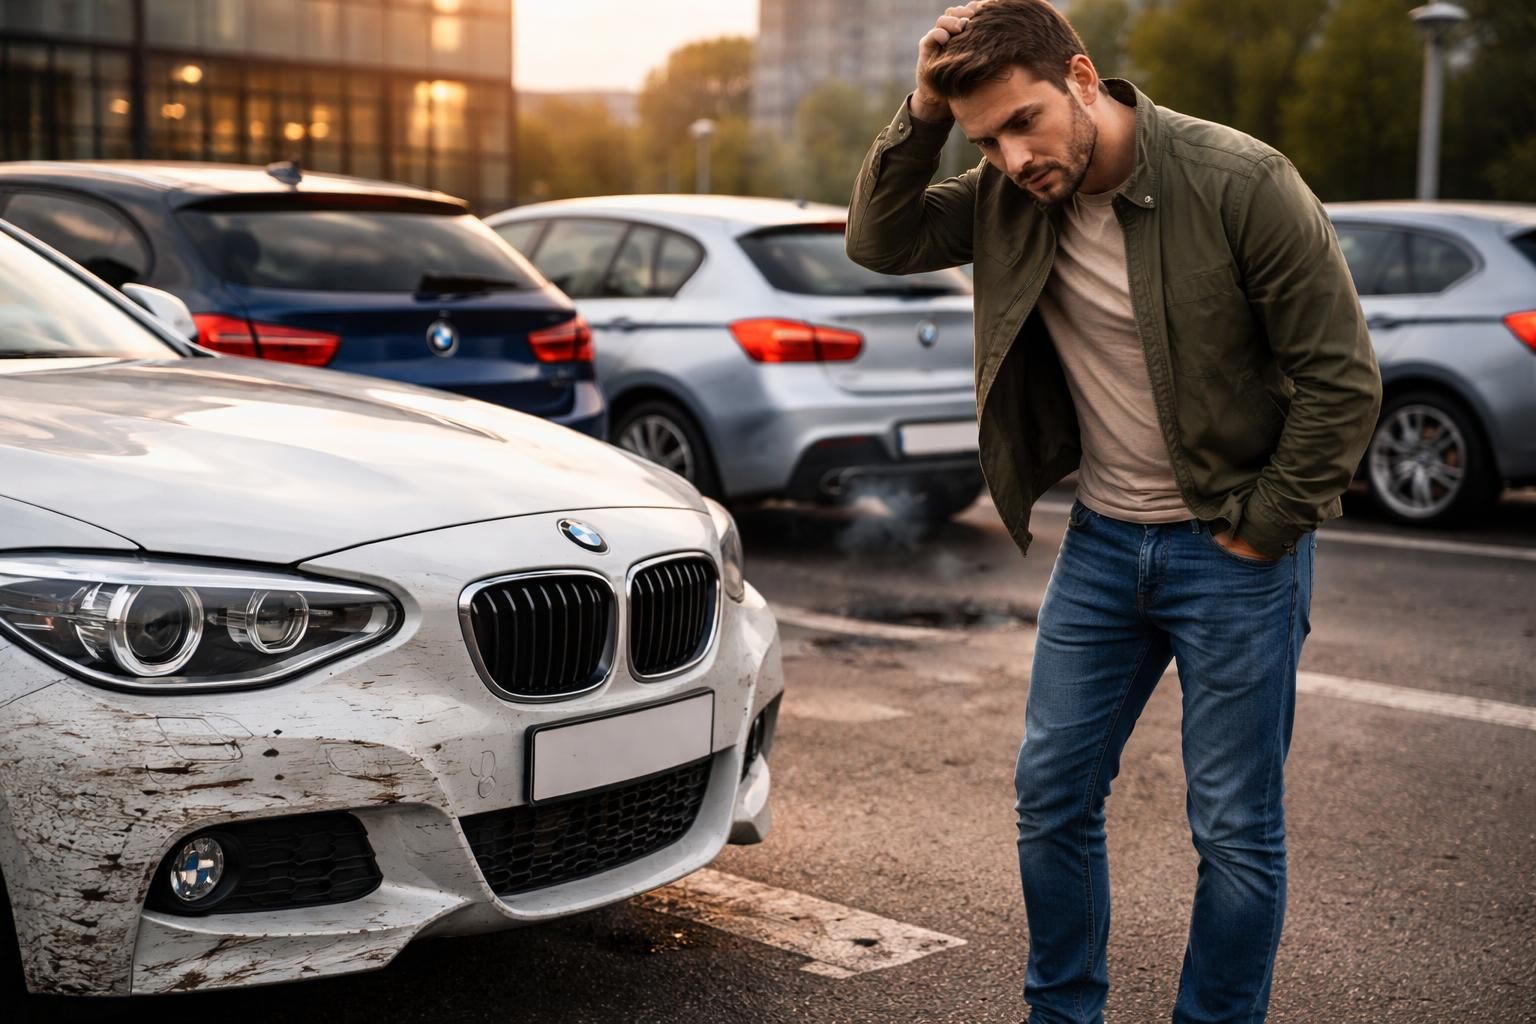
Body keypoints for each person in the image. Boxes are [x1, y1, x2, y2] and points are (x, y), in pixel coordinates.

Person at [845, 2, 1383, 1021]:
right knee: (1051, 797)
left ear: (1083, 78)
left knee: (1233, 829)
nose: (1013, 158)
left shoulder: (1240, 181)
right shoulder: (1008, 195)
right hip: (1100, 543)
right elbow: (879, 239)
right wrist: (922, 110)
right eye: (985, 140)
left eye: (1025, 121)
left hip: (1232, 551)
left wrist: (1261, 529)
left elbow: (1342, 381)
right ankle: (1062, 1013)